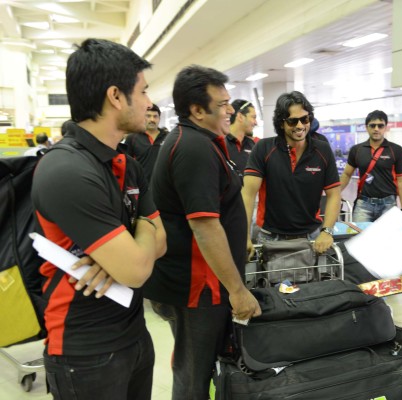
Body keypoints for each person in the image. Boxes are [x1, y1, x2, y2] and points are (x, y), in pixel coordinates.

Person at [31, 38, 167, 400]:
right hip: (85, 350)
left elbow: (161, 241)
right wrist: (136, 242)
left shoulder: (126, 164)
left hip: (134, 333)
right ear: (116, 97)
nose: (149, 103)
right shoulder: (66, 169)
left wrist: (122, 256)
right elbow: (138, 269)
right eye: (143, 91)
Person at [143, 65, 261, 400]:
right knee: (193, 375)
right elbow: (205, 227)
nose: (230, 111)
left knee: (199, 369)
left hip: (201, 284)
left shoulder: (199, 141)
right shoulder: (193, 148)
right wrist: (237, 291)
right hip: (196, 288)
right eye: (222, 104)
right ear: (196, 110)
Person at [242, 91, 341, 254]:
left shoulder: (322, 150)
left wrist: (327, 231)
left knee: (314, 281)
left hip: (312, 238)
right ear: (281, 123)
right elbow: (247, 194)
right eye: (292, 121)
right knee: (269, 281)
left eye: (305, 119)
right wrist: (244, 236)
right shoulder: (264, 149)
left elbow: (334, 194)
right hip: (270, 238)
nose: (300, 126)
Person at [340, 110, 402, 221]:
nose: (376, 129)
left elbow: (401, 181)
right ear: (367, 127)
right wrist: (336, 193)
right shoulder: (357, 150)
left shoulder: (396, 150)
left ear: (385, 127)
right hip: (363, 205)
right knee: (360, 237)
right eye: (372, 125)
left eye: (380, 126)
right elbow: (347, 174)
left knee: (386, 238)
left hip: (388, 205)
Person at [125, 103, 168, 182]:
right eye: (148, 116)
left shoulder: (168, 137)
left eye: (155, 116)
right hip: (142, 186)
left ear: (159, 118)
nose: (152, 119)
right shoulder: (132, 138)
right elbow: (127, 164)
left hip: (164, 186)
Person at [226, 99, 257, 171]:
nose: (256, 123)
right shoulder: (221, 144)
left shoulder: (252, 145)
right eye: (253, 117)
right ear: (240, 116)